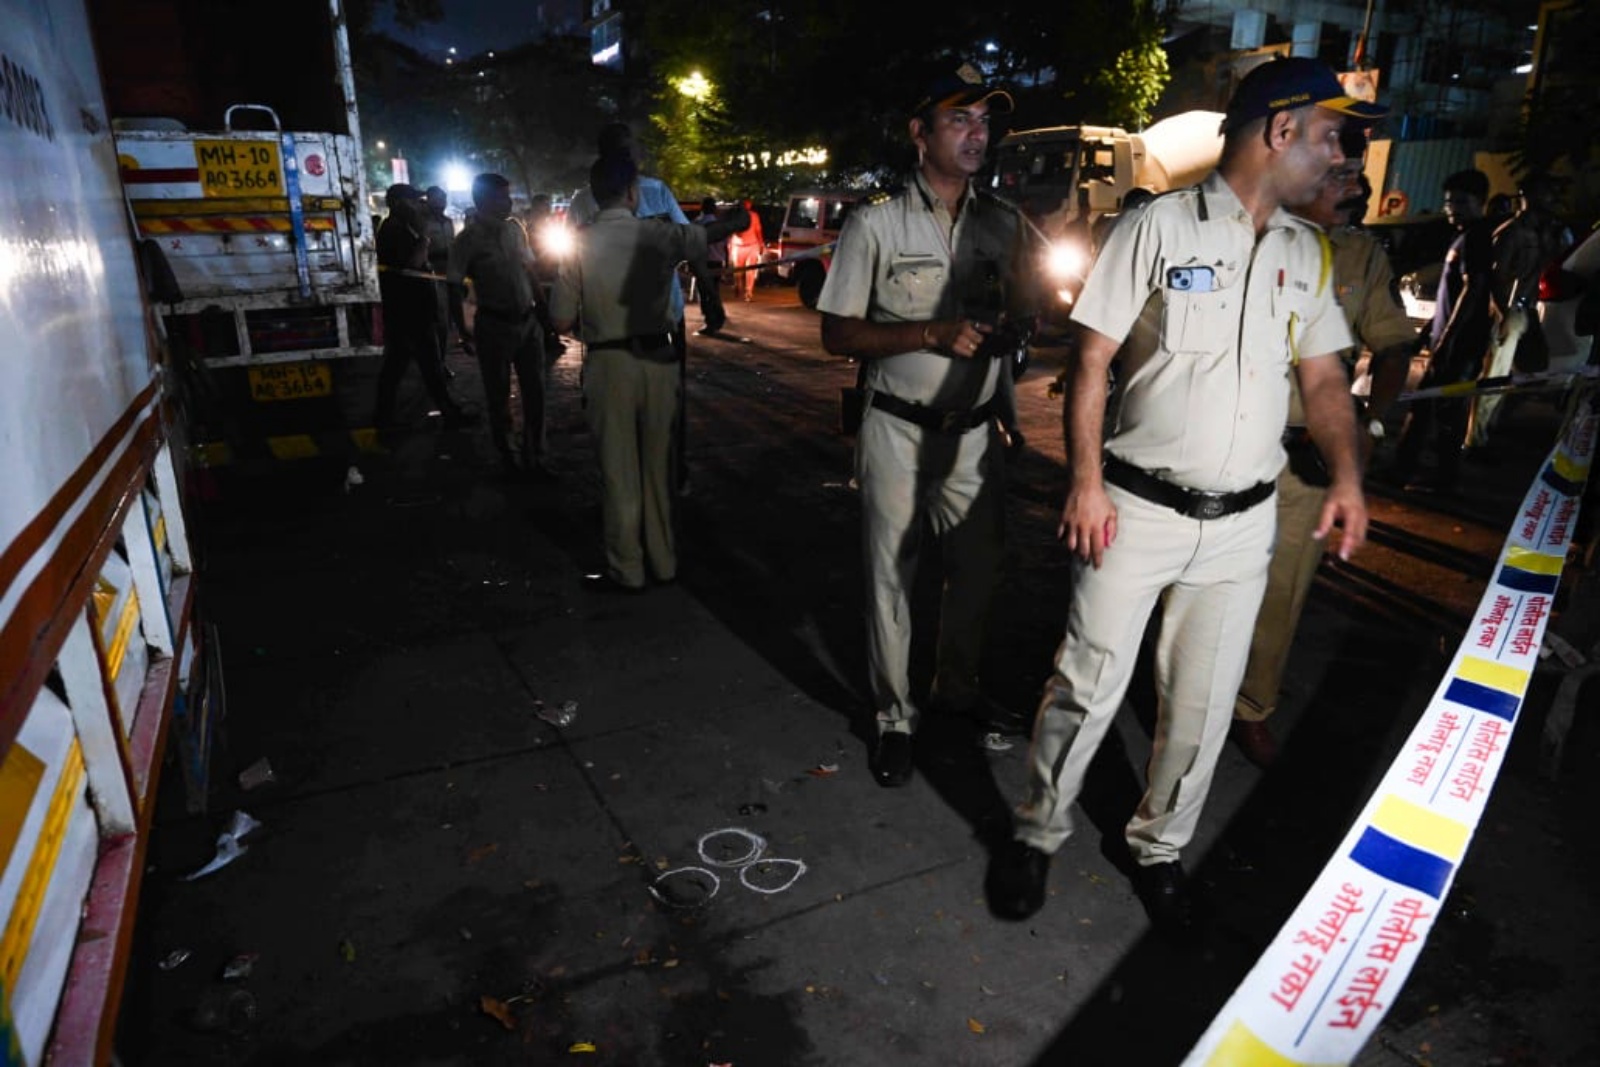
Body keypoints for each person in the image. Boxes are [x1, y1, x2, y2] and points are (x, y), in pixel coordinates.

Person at [987, 56, 1376, 939]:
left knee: (1200, 703)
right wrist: (1084, 481)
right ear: (1280, 130)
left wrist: (1347, 474)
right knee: (1086, 685)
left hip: (1242, 524)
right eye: (1330, 135)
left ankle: (1159, 848)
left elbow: (1321, 382)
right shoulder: (1160, 226)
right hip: (1137, 510)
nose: (1340, 156)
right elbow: (1091, 358)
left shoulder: (1301, 251)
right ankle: (1037, 831)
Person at [818, 64, 1038, 788]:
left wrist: (1012, 343)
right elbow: (839, 334)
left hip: (976, 434)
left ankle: (956, 690)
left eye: (984, 120)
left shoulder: (1004, 223)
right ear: (920, 134)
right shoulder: (874, 223)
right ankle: (893, 719)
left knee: (978, 573)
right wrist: (930, 335)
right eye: (959, 119)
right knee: (891, 579)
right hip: (899, 431)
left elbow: (1023, 314)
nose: (978, 134)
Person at [1229, 139, 1417, 769]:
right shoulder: (1251, 234)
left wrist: (1371, 422)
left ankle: (1252, 707)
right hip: (1226, 444)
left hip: (1303, 459)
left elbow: (1393, 345)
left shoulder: (1361, 255)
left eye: (1354, 178)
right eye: (1338, 175)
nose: (1354, 189)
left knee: (1281, 593)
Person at [548, 154, 748, 593]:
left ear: (593, 195)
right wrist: (734, 222)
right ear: (634, 192)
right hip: (659, 362)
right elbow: (702, 237)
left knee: (618, 472)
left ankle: (628, 569)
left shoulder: (579, 241)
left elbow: (560, 319)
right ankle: (664, 561)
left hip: (608, 364)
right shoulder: (656, 234)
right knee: (658, 467)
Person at [569, 123, 705, 493]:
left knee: (668, 407)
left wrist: (708, 293)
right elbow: (570, 263)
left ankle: (672, 475)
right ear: (604, 156)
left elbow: (688, 243)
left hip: (663, 321)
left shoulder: (657, 192)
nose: (628, 158)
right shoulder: (583, 201)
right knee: (617, 415)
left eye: (630, 151)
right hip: (609, 327)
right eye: (619, 151)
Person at [1386, 169, 1497, 493]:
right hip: (1448, 340)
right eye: (1449, 202)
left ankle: (1433, 476)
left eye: (1461, 202)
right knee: (1428, 407)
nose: (1452, 208)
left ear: (1481, 202)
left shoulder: (1476, 237)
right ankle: (1410, 470)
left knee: (1441, 410)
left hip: (1460, 344)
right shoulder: (1463, 236)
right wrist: (1427, 335)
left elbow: (1473, 289)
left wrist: (1447, 337)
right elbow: (1452, 295)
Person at [447, 172, 551, 479]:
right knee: (498, 396)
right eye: (501, 197)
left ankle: (536, 456)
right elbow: (453, 287)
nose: (508, 202)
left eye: (508, 195)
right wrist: (462, 331)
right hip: (493, 326)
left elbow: (529, 272)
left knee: (537, 394)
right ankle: (508, 457)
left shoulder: (515, 230)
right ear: (482, 200)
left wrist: (544, 313)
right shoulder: (466, 240)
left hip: (527, 322)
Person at [1465, 172, 1572, 453]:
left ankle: (1494, 426)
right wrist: (1504, 316)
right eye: (1546, 192)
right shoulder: (1512, 232)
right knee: (1494, 377)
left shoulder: (1550, 232)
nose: (1552, 198)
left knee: (1534, 373)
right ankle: (1476, 441)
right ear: (1530, 195)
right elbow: (1497, 279)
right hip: (1510, 310)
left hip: (1532, 310)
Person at [373, 182, 470, 431]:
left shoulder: (403, 227)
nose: (418, 205)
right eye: (413, 200)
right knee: (418, 364)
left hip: (413, 309)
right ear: (397, 203)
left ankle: (388, 416)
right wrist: (424, 240)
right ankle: (387, 418)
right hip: (408, 310)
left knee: (416, 365)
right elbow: (413, 263)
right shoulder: (394, 230)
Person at [423, 185, 464, 375]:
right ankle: (436, 363)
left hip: (449, 274)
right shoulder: (423, 222)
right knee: (437, 322)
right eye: (437, 198)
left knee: (448, 320)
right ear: (429, 199)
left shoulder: (448, 222)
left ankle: (441, 360)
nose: (441, 202)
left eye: (443, 198)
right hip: (431, 276)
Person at [728, 198, 767, 301]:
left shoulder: (754, 216)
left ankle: (748, 292)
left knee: (751, 270)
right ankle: (738, 285)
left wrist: (761, 244)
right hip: (738, 245)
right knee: (738, 270)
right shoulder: (735, 216)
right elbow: (730, 230)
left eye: (748, 204)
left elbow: (758, 230)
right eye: (745, 204)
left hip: (752, 245)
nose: (747, 206)